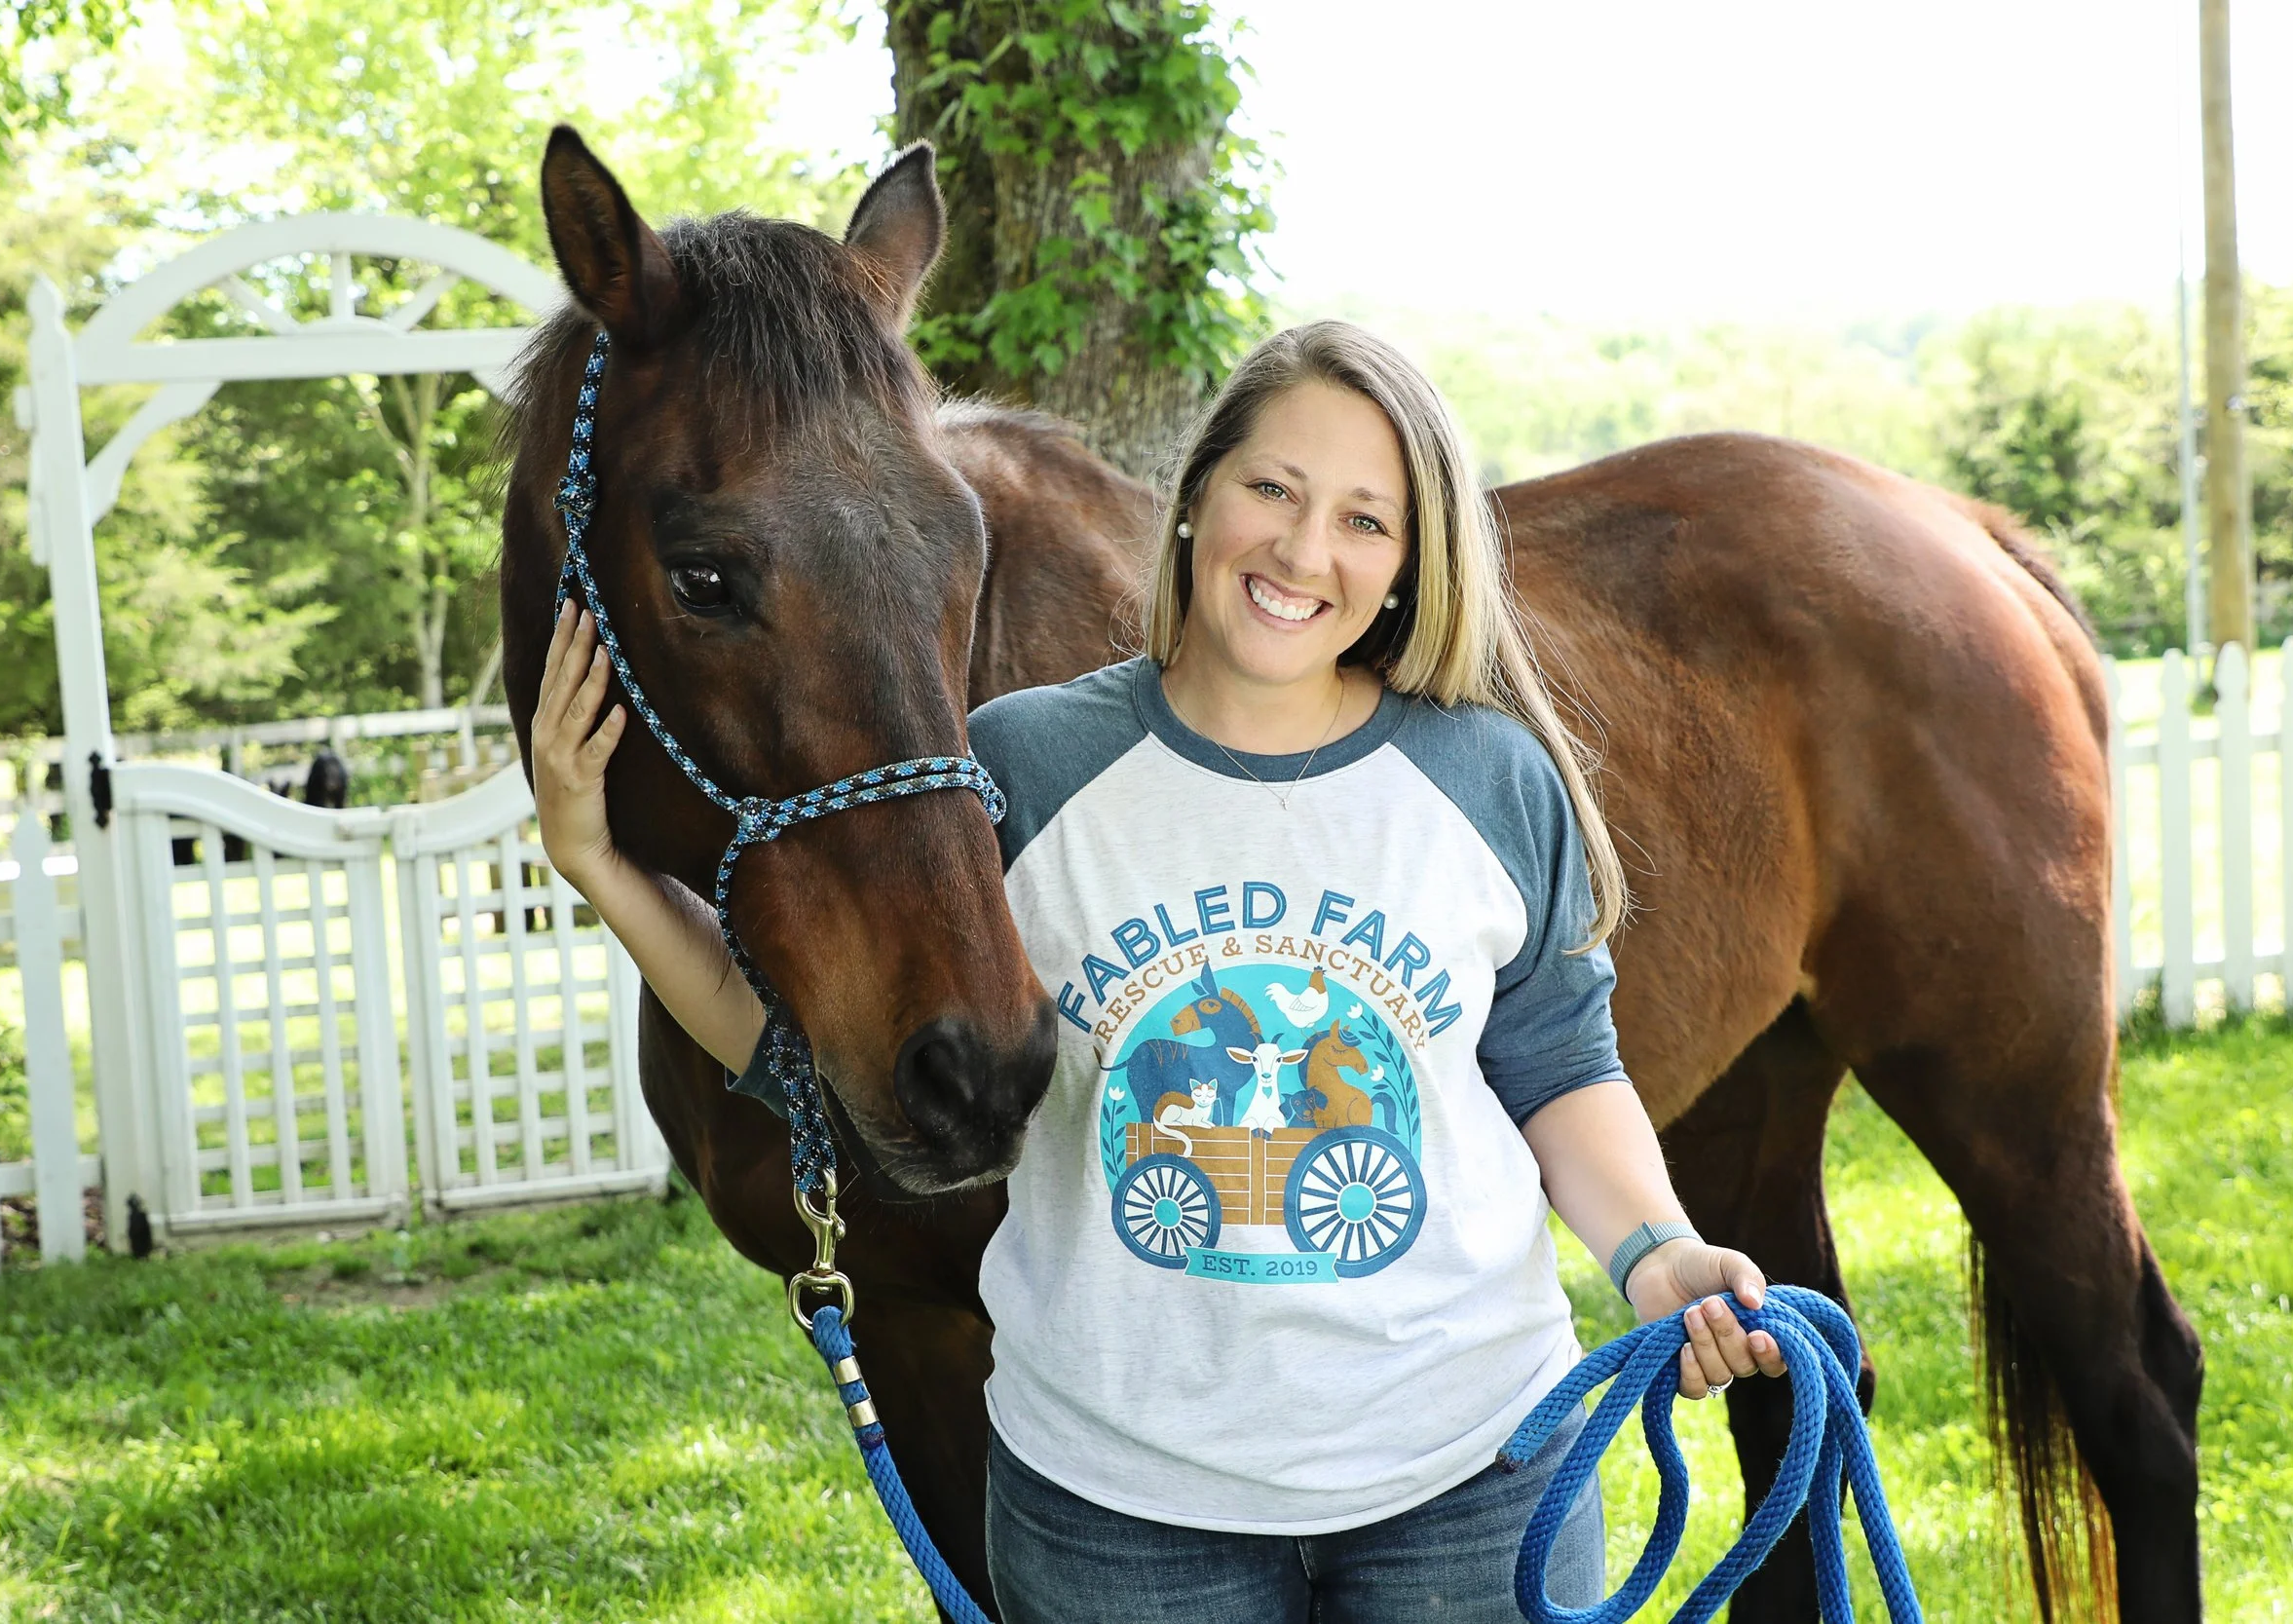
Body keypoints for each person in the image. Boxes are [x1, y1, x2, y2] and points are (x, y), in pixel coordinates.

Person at [531, 320, 1788, 1622]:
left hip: (1470, 1482)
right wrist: (603, 866)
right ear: (1197, 501)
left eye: (1367, 519)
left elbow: (1559, 1066)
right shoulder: (1023, 768)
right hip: (1120, 1521)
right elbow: (784, 1049)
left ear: (1411, 564)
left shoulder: (1487, 777)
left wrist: (1657, 1251)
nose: (1305, 552)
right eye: (1274, 490)